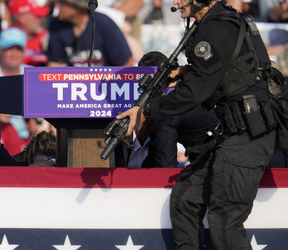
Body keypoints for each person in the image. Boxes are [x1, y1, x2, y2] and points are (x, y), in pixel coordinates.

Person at [117, 0, 278, 249]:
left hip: (247, 135)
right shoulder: (217, 21)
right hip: (233, 132)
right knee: (185, 199)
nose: (175, 2)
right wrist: (182, 73)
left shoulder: (216, 27)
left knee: (225, 221)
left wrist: (146, 110)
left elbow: (196, 92)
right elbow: (224, 70)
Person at [46, 0, 133, 67]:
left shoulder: (103, 23)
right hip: (74, 85)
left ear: (77, 6)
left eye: (62, 3)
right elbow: (53, 64)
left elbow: (126, 62)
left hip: (104, 85)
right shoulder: (56, 26)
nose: (57, 5)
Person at [9, 0, 50, 66]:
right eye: (38, 16)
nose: (42, 19)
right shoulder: (7, 40)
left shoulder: (45, 36)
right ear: (22, 19)